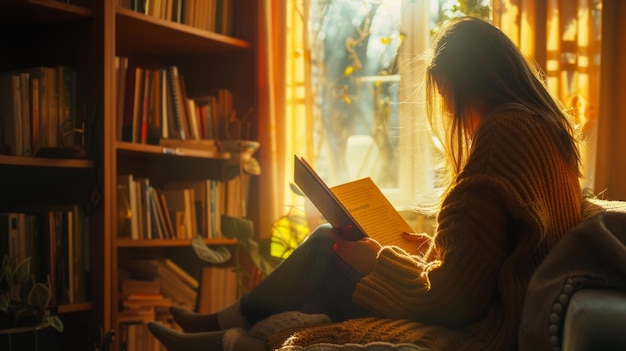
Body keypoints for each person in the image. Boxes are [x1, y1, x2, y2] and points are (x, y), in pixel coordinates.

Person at [148, 16, 584, 351]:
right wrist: (423, 252)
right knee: (327, 256)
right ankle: (227, 335)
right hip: (498, 311)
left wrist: (377, 263)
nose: (454, 118)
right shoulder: (545, 131)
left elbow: (455, 300)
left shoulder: (502, 134)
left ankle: (223, 331)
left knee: (326, 244)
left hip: (485, 329)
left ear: (464, 83)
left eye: (449, 102)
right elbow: (492, 257)